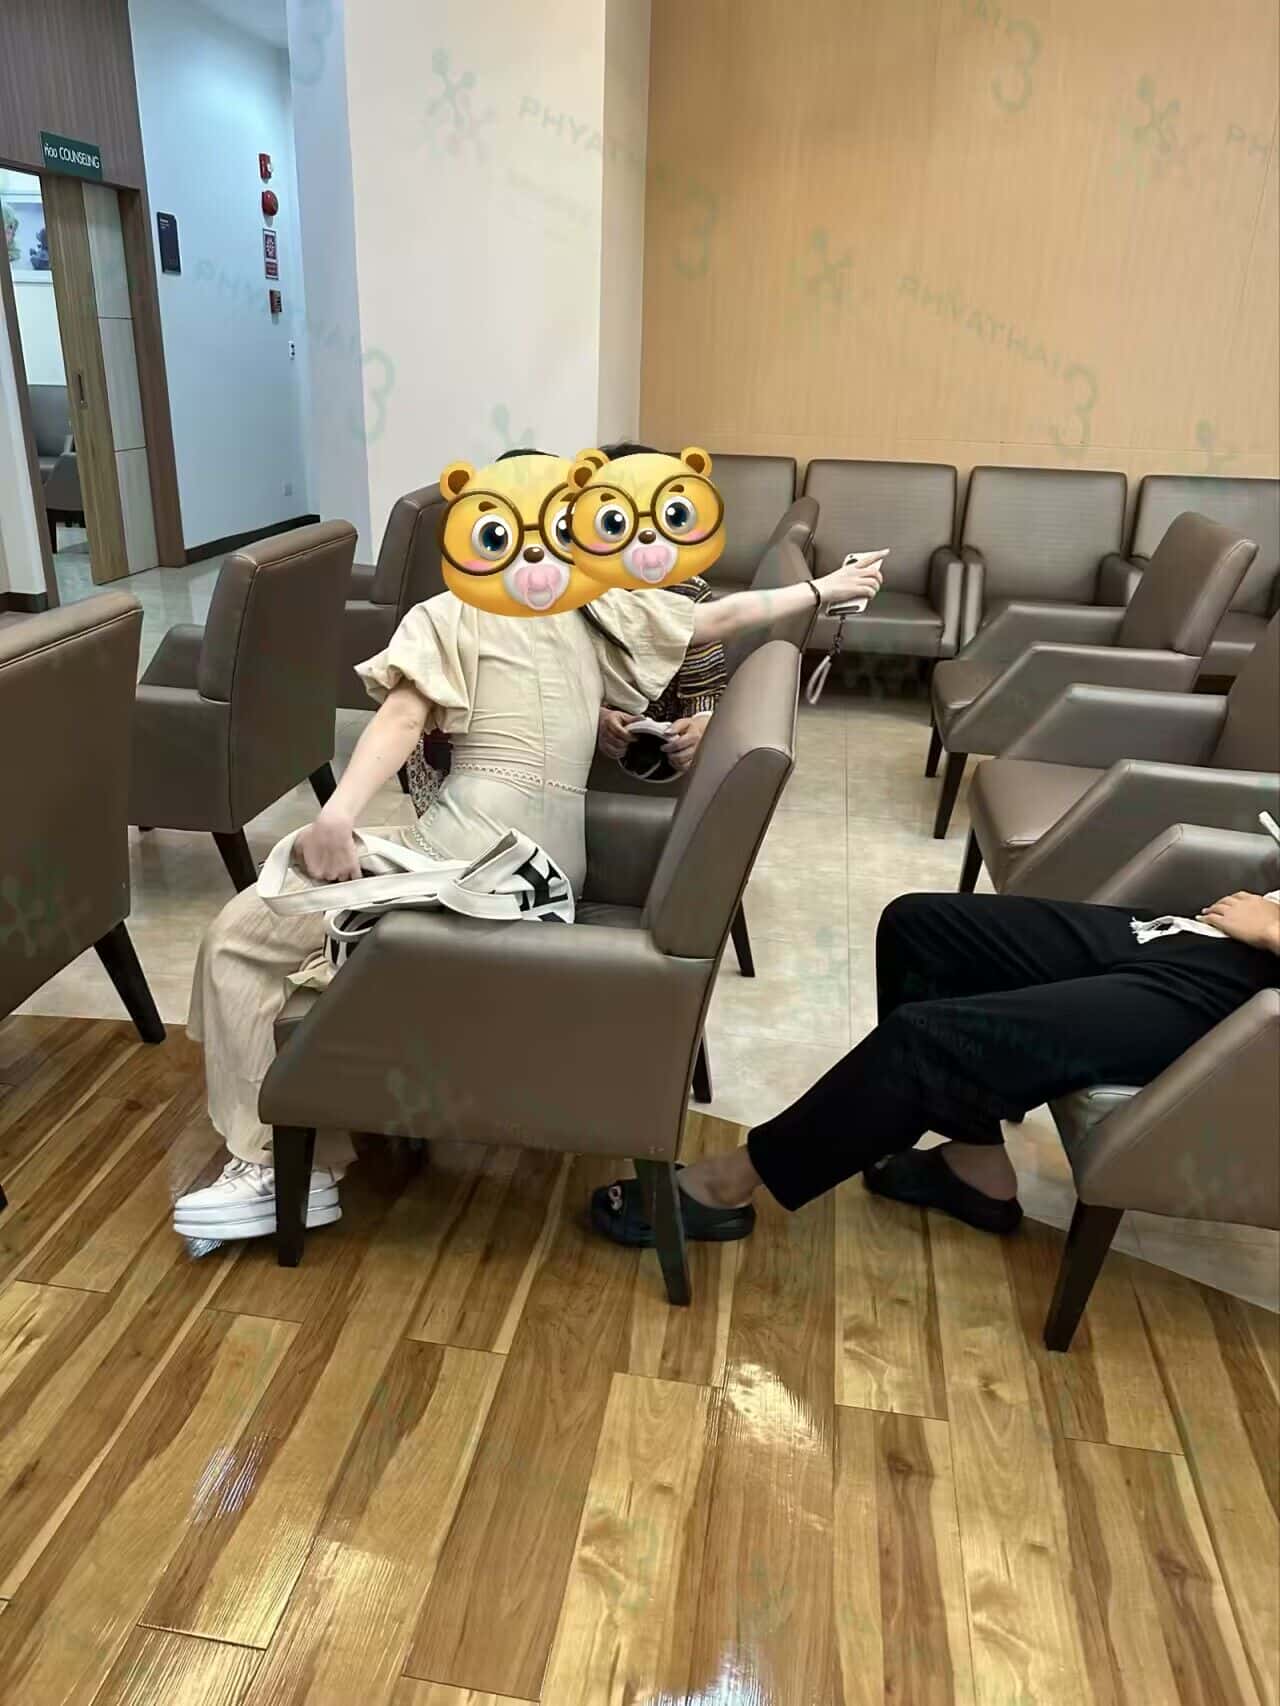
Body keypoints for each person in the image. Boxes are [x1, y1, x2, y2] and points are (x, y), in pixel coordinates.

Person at [175, 467, 887, 1244]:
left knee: (240, 933)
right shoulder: (591, 608)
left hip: (470, 862)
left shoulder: (454, 610)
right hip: (550, 875)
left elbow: (404, 716)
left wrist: (337, 814)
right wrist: (822, 590)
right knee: (307, 919)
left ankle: (276, 1165)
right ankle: (319, 1133)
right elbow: (721, 617)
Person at [590, 885, 1280, 1246]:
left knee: (928, 1041)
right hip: (1208, 936)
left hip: (1255, 995)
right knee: (920, 929)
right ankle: (975, 1165)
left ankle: (728, 1185)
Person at [592, 443, 727, 781]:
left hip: (658, 750)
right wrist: (598, 718)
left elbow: (704, 691)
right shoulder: (572, 592)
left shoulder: (688, 590)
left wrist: (699, 727)